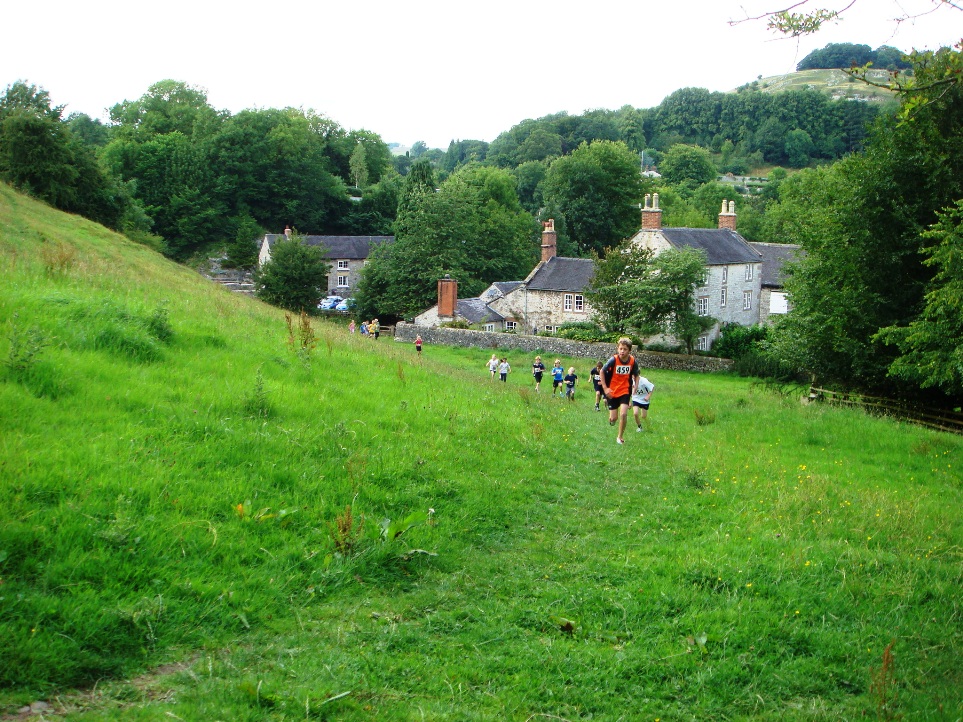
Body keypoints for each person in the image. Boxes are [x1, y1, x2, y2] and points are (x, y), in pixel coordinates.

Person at [600, 337, 640, 445]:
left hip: (625, 391)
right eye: (620, 349)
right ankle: (612, 419)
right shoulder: (613, 360)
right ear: (618, 349)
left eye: (625, 349)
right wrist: (605, 388)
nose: (622, 351)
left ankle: (620, 437)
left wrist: (635, 387)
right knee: (614, 418)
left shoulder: (632, 361)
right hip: (612, 392)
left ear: (629, 350)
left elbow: (636, 375)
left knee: (623, 414)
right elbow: (602, 371)